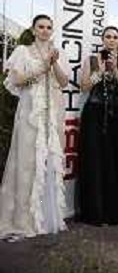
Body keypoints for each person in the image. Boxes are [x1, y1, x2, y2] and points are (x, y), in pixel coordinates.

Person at [0, 14, 69, 241]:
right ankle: (22, 221)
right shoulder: (22, 51)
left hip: (51, 115)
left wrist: (54, 62)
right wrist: (42, 66)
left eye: (49, 27)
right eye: (41, 26)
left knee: (48, 162)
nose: (45, 30)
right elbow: (16, 80)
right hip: (30, 114)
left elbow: (63, 82)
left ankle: (46, 218)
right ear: (33, 28)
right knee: (26, 162)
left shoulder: (56, 52)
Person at [77, 26, 118, 225]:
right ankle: (95, 212)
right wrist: (98, 72)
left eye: (115, 37)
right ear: (102, 39)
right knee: (95, 161)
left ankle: (116, 211)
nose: (111, 40)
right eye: (108, 36)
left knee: (117, 160)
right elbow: (84, 87)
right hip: (94, 113)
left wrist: (115, 69)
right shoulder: (91, 60)